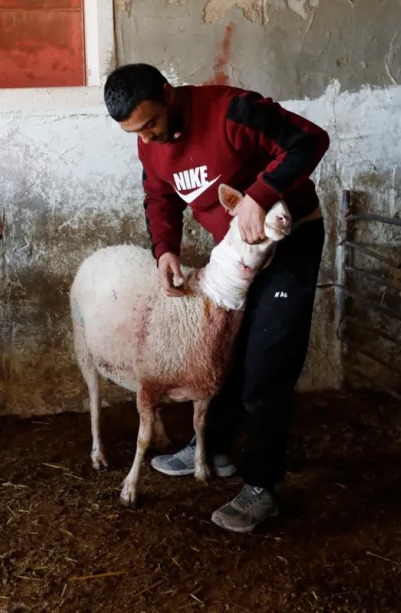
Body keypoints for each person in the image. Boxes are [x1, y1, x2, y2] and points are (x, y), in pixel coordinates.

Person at [102, 63, 330, 533]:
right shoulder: (152, 147)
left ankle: (262, 488)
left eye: (149, 124)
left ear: (167, 93)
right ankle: (215, 446)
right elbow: (159, 196)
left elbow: (309, 139)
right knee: (222, 346)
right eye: (135, 133)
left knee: (267, 360)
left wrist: (260, 194)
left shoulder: (231, 111)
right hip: (235, 255)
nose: (145, 139)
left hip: (288, 243)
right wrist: (164, 248)